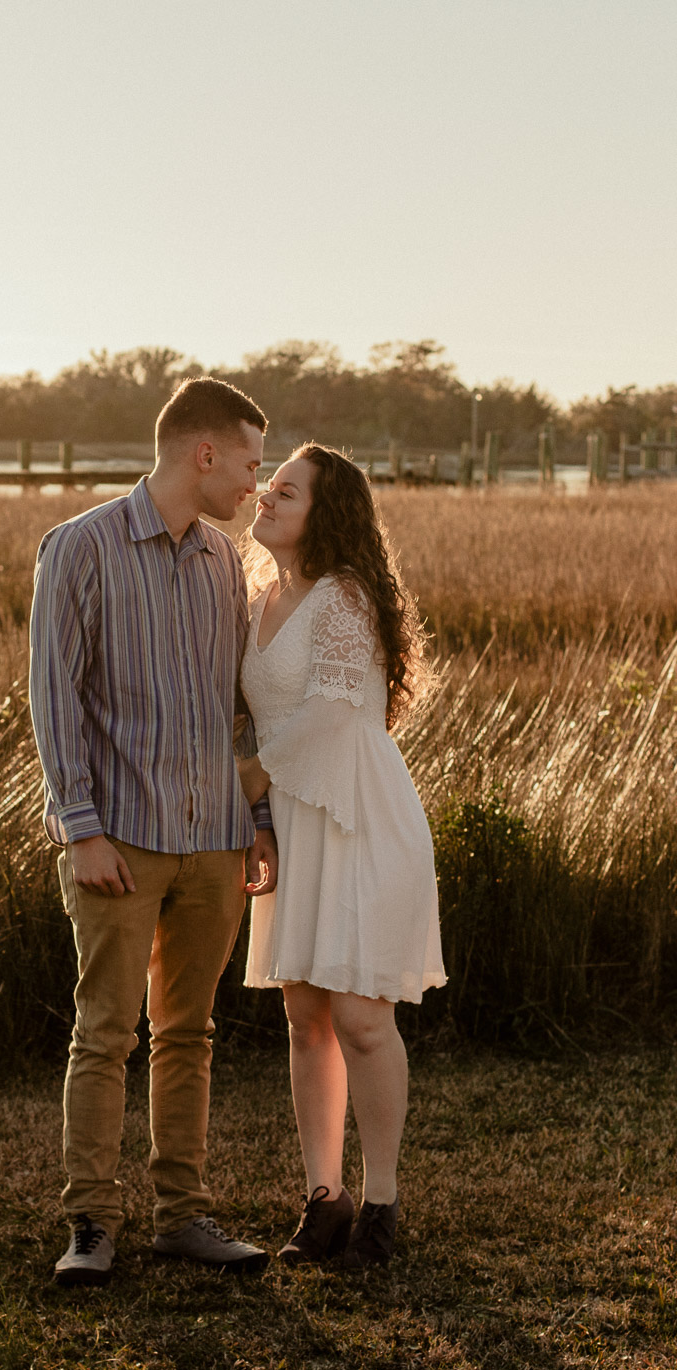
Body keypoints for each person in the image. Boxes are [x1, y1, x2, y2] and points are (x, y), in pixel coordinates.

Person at [29, 377, 279, 1286]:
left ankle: (184, 1214)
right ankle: (90, 1223)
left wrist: (256, 820)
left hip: (214, 840)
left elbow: (239, 711)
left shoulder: (225, 563)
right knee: (105, 1031)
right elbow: (55, 701)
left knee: (189, 1031)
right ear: (203, 453)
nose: (259, 482)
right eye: (252, 462)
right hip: (120, 840)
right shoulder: (81, 548)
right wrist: (82, 829)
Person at [236, 443, 446, 1269]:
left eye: (286, 490)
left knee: (361, 1017)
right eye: (267, 485)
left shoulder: (346, 596)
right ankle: (324, 1200)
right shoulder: (256, 600)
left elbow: (329, 714)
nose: (266, 496)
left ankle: (384, 1204)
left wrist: (247, 774)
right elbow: (252, 720)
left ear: (325, 512)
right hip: (292, 820)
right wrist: (256, 813)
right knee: (304, 1015)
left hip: (359, 814)